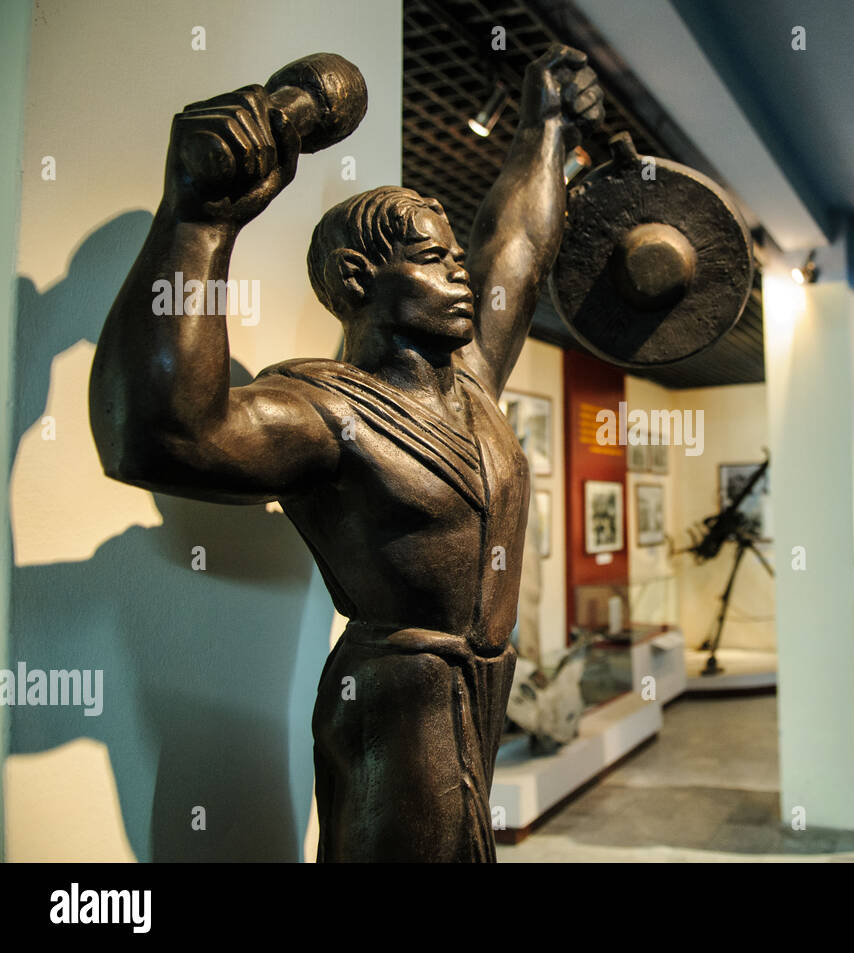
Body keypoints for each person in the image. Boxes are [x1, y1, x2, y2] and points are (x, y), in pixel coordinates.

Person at [89, 45, 604, 861]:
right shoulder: (327, 410)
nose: (461, 278)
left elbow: (520, 248)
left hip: (476, 693)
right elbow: (162, 433)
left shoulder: (467, 384)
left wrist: (544, 128)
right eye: (432, 261)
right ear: (362, 276)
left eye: (452, 257)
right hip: (396, 705)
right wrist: (198, 223)